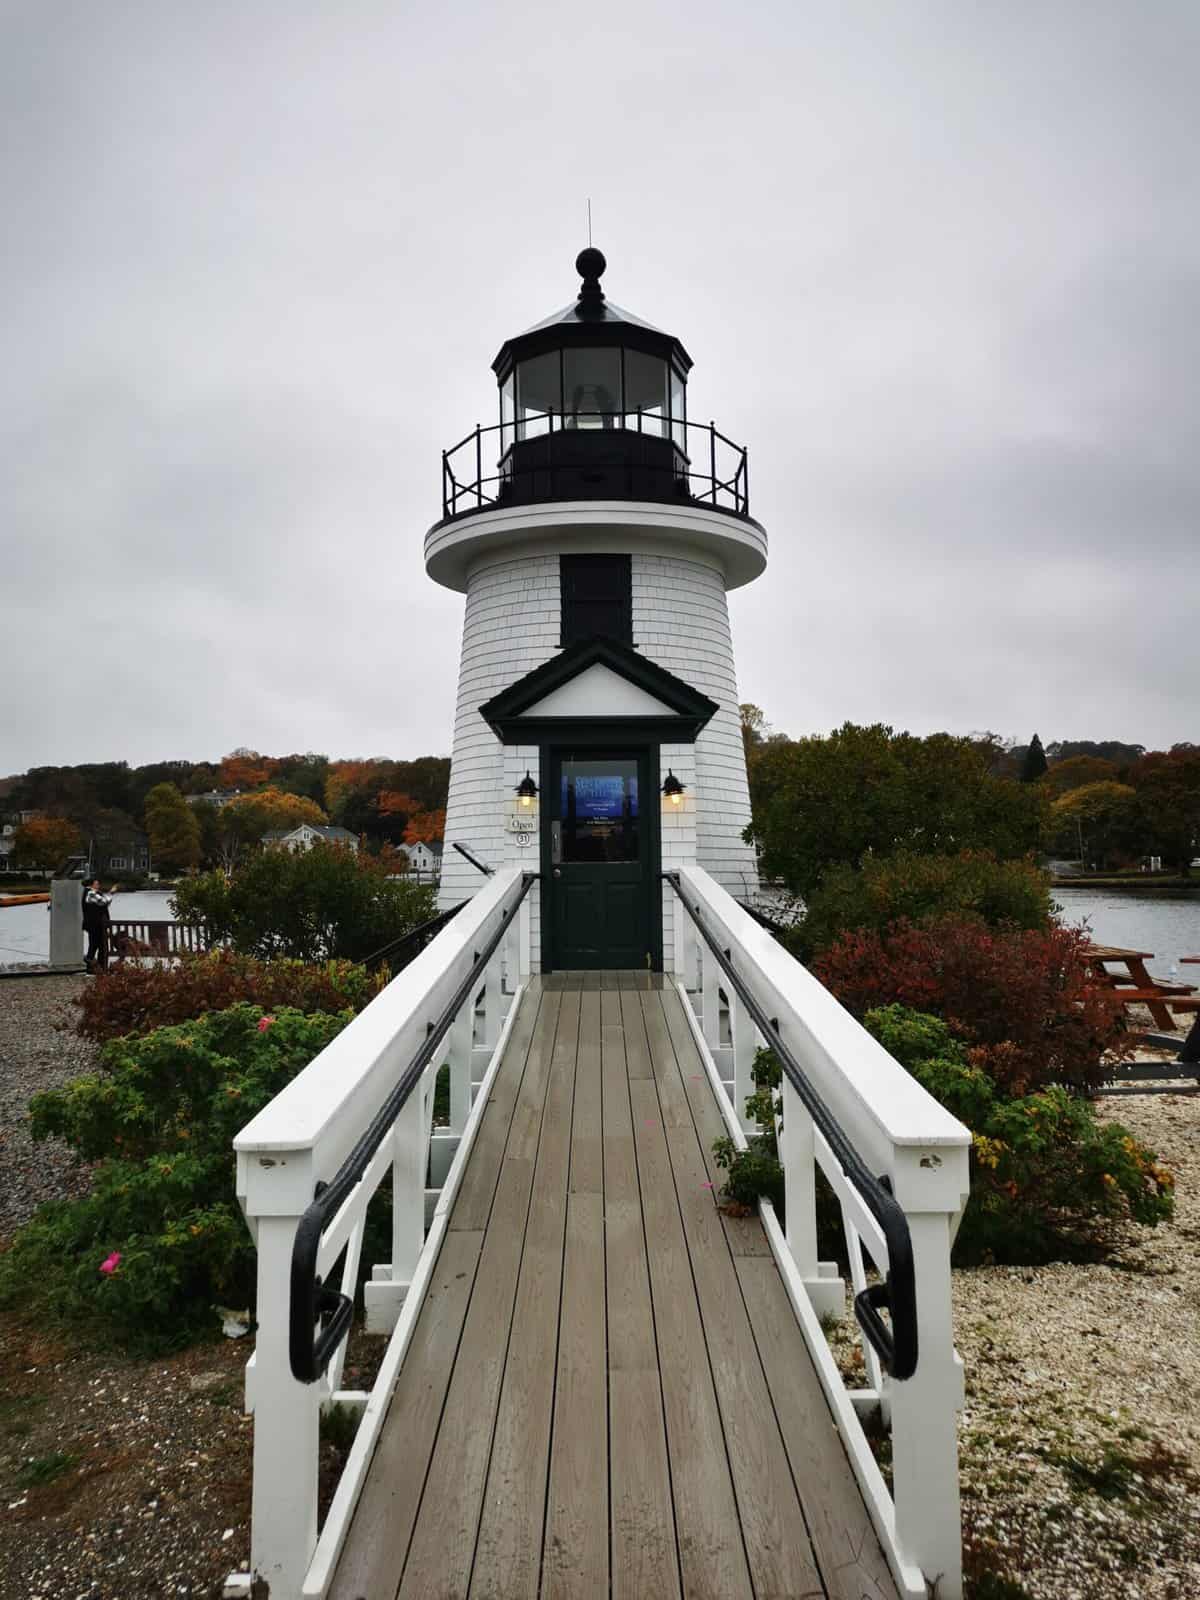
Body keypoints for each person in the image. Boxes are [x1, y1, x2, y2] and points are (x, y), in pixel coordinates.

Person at [82, 878, 119, 972]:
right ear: (91, 885)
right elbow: (104, 902)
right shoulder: (90, 893)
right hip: (95, 924)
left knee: (96, 945)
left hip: (96, 925)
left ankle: (95, 966)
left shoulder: (93, 893)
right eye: (97, 883)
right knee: (100, 945)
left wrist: (109, 895)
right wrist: (111, 893)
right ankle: (97, 966)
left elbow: (103, 902)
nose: (98, 885)